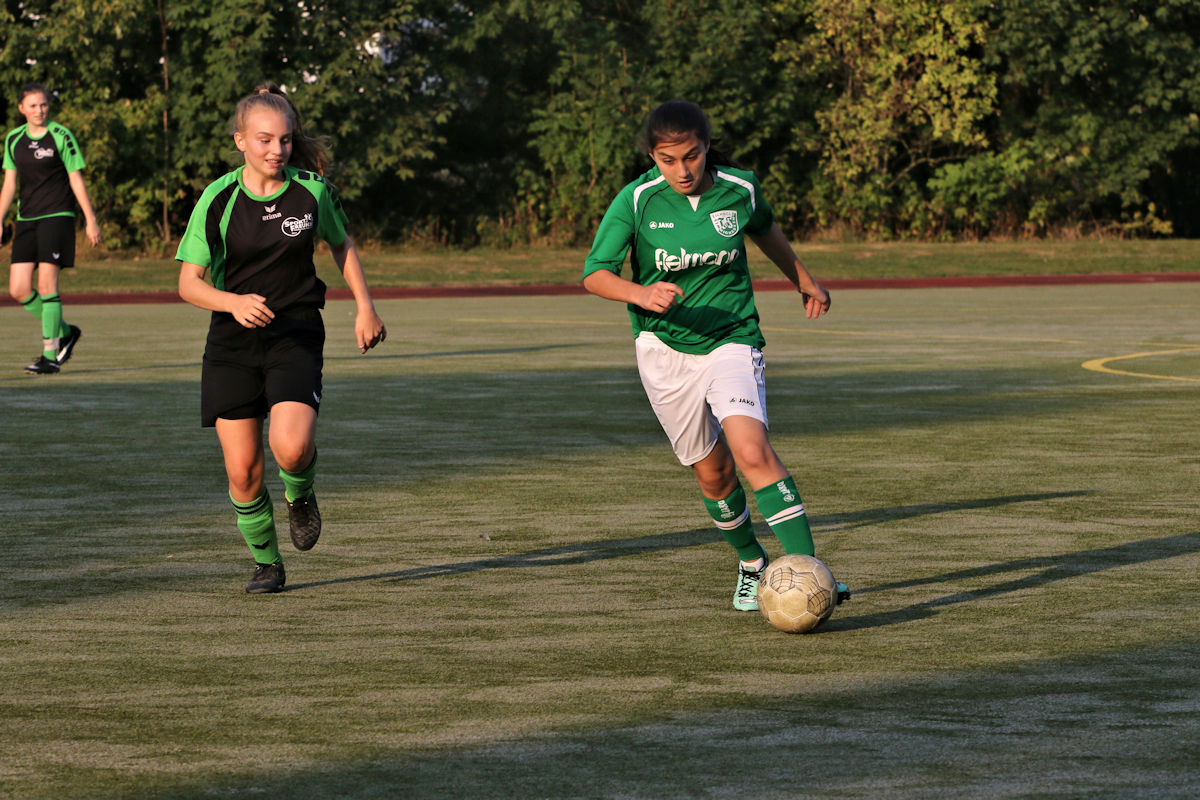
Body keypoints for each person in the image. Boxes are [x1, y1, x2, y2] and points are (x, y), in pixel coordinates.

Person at [582, 99, 848, 612]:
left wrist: (804, 279)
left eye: (692, 155)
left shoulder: (739, 188)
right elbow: (595, 272)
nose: (682, 170)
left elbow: (765, 227)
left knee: (752, 452)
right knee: (714, 474)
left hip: (732, 336)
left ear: (707, 147)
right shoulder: (637, 200)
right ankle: (751, 562)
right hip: (663, 350)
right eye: (668, 159)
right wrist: (640, 294)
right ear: (653, 157)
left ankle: (813, 576)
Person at [177, 84, 386, 594]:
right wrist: (234, 302)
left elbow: (342, 244)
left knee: (290, 448)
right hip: (232, 342)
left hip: (295, 332)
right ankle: (267, 564)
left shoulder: (312, 191)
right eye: (265, 140)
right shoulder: (218, 197)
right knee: (244, 470)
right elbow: (188, 283)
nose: (277, 150)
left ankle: (301, 495)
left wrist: (365, 305)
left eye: (286, 140)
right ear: (241, 140)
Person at [1, 82, 101, 374]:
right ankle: (67, 333)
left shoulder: (61, 135)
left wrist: (90, 219)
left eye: (43, 104)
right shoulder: (13, 139)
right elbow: (9, 185)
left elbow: (76, 179)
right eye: (32, 105)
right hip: (26, 218)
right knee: (18, 289)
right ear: (22, 109)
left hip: (57, 215)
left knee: (46, 285)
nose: (39, 110)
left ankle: (50, 355)